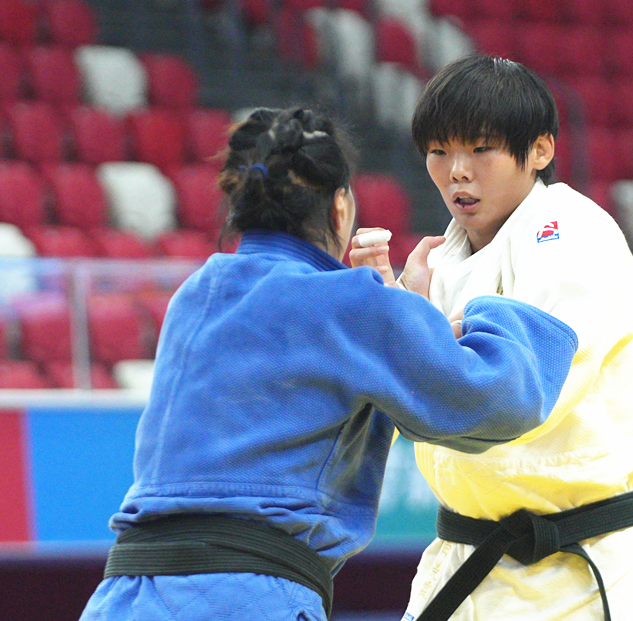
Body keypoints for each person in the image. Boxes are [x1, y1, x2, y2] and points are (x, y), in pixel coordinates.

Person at [78, 106, 578, 621]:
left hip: (122, 596)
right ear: (340, 208)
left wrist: (404, 319)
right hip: (248, 600)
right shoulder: (352, 303)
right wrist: (503, 300)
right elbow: (500, 399)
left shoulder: (197, 291)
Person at [350, 56, 633, 621]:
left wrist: (410, 336)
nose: (457, 171)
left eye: (480, 149)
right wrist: (393, 317)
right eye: (439, 151)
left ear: (539, 150)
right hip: (465, 564)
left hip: (582, 574)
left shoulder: (569, 232)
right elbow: (397, 401)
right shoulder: (442, 259)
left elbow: (503, 399)